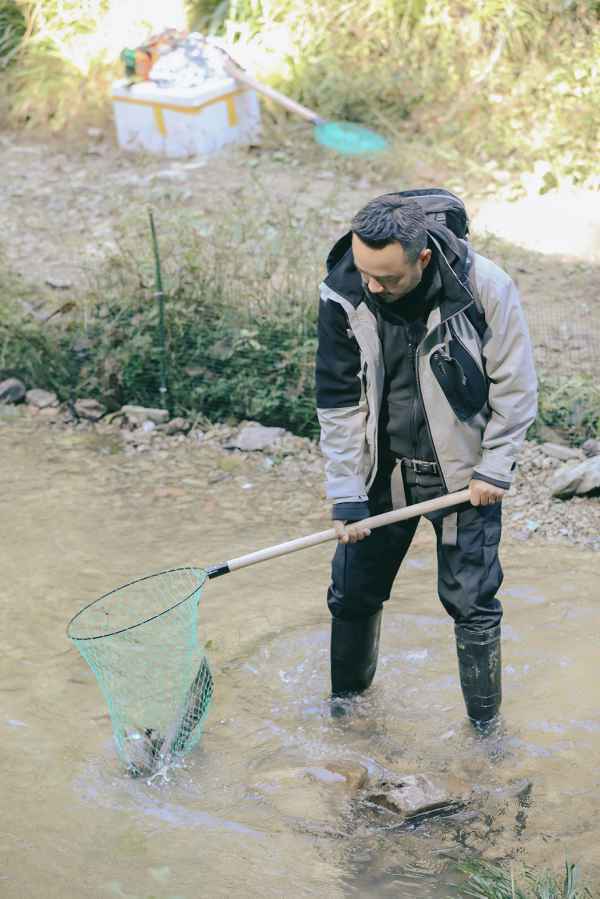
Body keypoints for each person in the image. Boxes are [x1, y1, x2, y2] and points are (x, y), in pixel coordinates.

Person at [315, 190, 537, 729]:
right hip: (381, 472)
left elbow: (516, 385)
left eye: (387, 278)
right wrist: (345, 492)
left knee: (473, 604)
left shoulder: (484, 286)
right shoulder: (344, 291)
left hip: (463, 475)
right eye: (367, 273)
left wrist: (495, 467)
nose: (374, 286)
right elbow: (338, 401)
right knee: (351, 593)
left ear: (422, 258)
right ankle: (346, 717)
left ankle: (484, 735)